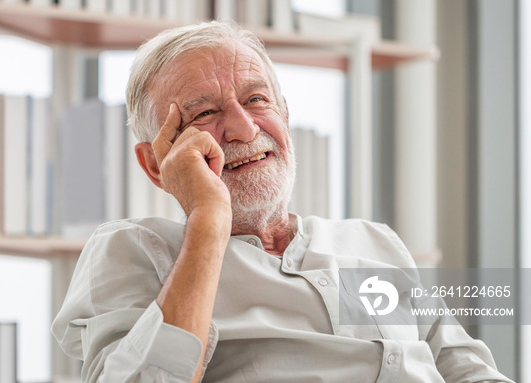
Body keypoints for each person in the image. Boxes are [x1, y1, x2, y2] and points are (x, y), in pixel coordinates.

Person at [51, 21, 512, 382]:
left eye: (256, 99)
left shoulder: (372, 242)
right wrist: (209, 219)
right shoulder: (135, 251)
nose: (244, 128)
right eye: (205, 113)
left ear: (285, 118)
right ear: (156, 164)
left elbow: (466, 370)